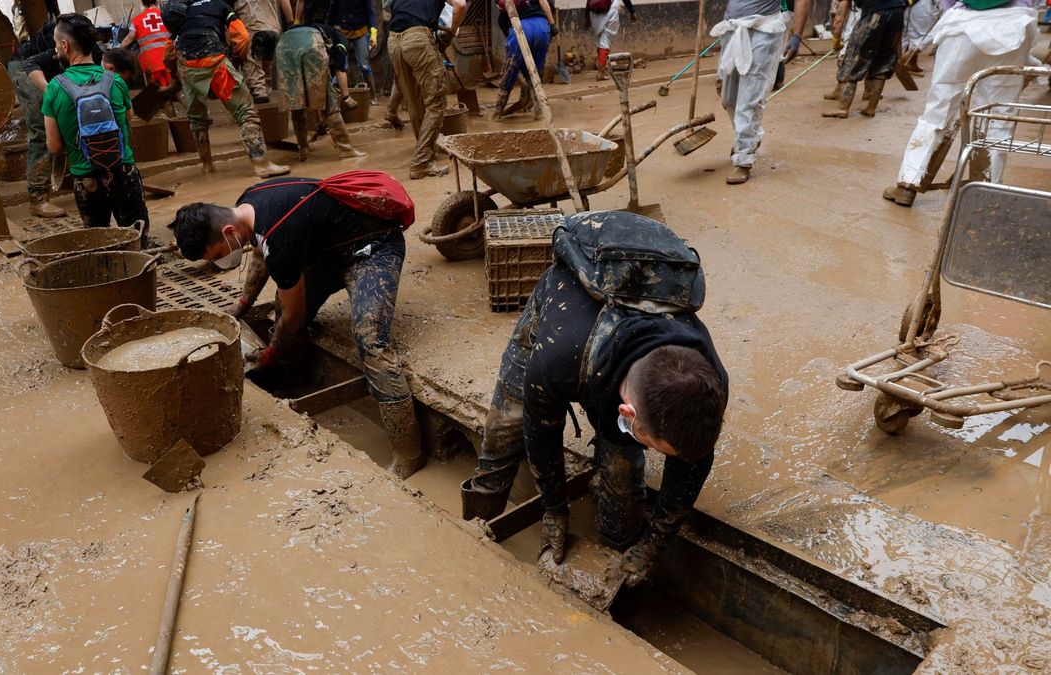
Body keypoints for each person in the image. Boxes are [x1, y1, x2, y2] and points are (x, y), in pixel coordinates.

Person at [461, 211, 728, 585]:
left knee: (622, 482)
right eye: (653, 444)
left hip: (629, 327)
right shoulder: (557, 357)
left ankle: (617, 545)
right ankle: (474, 530)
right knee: (504, 429)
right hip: (567, 304)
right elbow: (540, 433)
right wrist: (553, 509)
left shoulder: (707, 383)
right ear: (628, 413)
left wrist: (653, 543)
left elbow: (694, 461)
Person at [168, 176, 425, 478]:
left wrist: (271, 354)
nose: (222, 262)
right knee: (280, 304)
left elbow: (294, 315)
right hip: (329, 249)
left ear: (227, 232)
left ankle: (409, 451)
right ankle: (294, 376)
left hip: (373, 247)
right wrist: (242, 305)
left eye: (218, 256)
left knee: (370, 340)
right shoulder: (248, 204)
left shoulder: (281, 236)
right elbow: (261, 253)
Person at [883, 0, 1038, 207]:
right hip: (1014, 27)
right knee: (997, 116)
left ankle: (908, 184)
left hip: (962, 27)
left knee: (939, 109)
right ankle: (986, 190)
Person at [42, 14, 149, 235]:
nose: (55, 50)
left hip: (86, 179)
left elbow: (53, 146)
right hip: (123, 172)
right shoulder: (114, 80)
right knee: (137, 238)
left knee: (100, 245)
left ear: (65, 45)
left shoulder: (54, 87)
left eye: (56, 44)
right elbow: (127, 121)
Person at [168, 0, 288, 177]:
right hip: (214, 60)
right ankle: (261, 163)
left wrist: (175, 73)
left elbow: (168, 50)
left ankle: (207, 165)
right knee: (246, 111)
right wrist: (238, 57)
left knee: (196, 118)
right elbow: (242, 36)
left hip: (186, 64)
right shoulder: (221, 6)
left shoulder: (184, 13)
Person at [710, 0, 811, 185]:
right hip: (732, 29)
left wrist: (797, 34)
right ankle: (750, 138)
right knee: (728, 98)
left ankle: (744, 159)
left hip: (764, 29)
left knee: (749, 97)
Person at [17, 19, 103, 218]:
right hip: (29, 72)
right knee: (42, 131)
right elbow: (30, 64)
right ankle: (38, 197)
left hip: (61, 79)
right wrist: (53, 94)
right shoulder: (55, 48)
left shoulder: (95, 52)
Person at [387, 0, 465, 178]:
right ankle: (422, 161)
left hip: (393, 41)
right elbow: (460, 5)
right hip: (418, 39)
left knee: (414, 101)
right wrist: (452, 32)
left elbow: (396, 10)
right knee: (436, 103)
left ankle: (424, 152)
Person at [275, 20, 365, 161]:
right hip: (311, 43)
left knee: (296, 100)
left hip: (284, 45)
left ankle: (303, 149)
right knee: (329, 100)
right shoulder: (341, 41)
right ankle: (345, 148)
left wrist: (318, 119)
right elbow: (340, 70)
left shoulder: (323, 29)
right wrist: (346, 96)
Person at [822, 0, 907, 118]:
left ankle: (842, 108)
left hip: (874, 14)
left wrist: (836, 33)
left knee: (853, 59)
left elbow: (843, 4)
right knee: (883, 63)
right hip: (898, 12)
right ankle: (871, 108)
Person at [492, 0, 555, 120]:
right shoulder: (536, 4)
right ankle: (540, 113)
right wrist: (552, 24)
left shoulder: (503, 16)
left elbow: (516, 47)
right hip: (543, 27)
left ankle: (496, 113)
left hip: (520, 29)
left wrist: (520, 71)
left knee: (509, 73)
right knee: (536, 73)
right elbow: (545, 2)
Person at [233, 0, 292, 103]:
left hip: (253, 28)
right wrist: (291, 22)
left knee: (253, 65)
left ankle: (260, 96)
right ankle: (267, 93)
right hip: (273, 30)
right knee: (267, 64)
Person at [331, 0, 377, 101]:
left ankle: (371, 95)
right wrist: (331, 29)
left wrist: (373, 30)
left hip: (361, 30)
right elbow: (332, 11)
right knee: (341, 66)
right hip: (341, 31)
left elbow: (370, 12)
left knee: (364, 66)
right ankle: (336, 96)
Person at [120, 0, 171, 87]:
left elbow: (129, 38)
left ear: (143, 3)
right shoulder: (167, 15)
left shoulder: (137, 20)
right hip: (169, 56)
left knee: (160, 87)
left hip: (151, 60)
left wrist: (118, 49)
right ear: (157, 1)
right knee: (172, 83)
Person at [587, 0, 633, 81]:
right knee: (605, 41)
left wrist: (586, 17)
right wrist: (632, 11)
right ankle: (601, 72)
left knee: (600, 41)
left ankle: (602, 67)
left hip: (594, 12)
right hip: (610, 9)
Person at [900, 0, 941, 72]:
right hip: (922, 7)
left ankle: (911, 63)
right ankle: (908, 56)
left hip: (909, 8)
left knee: (914, 36)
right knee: (935, 32)